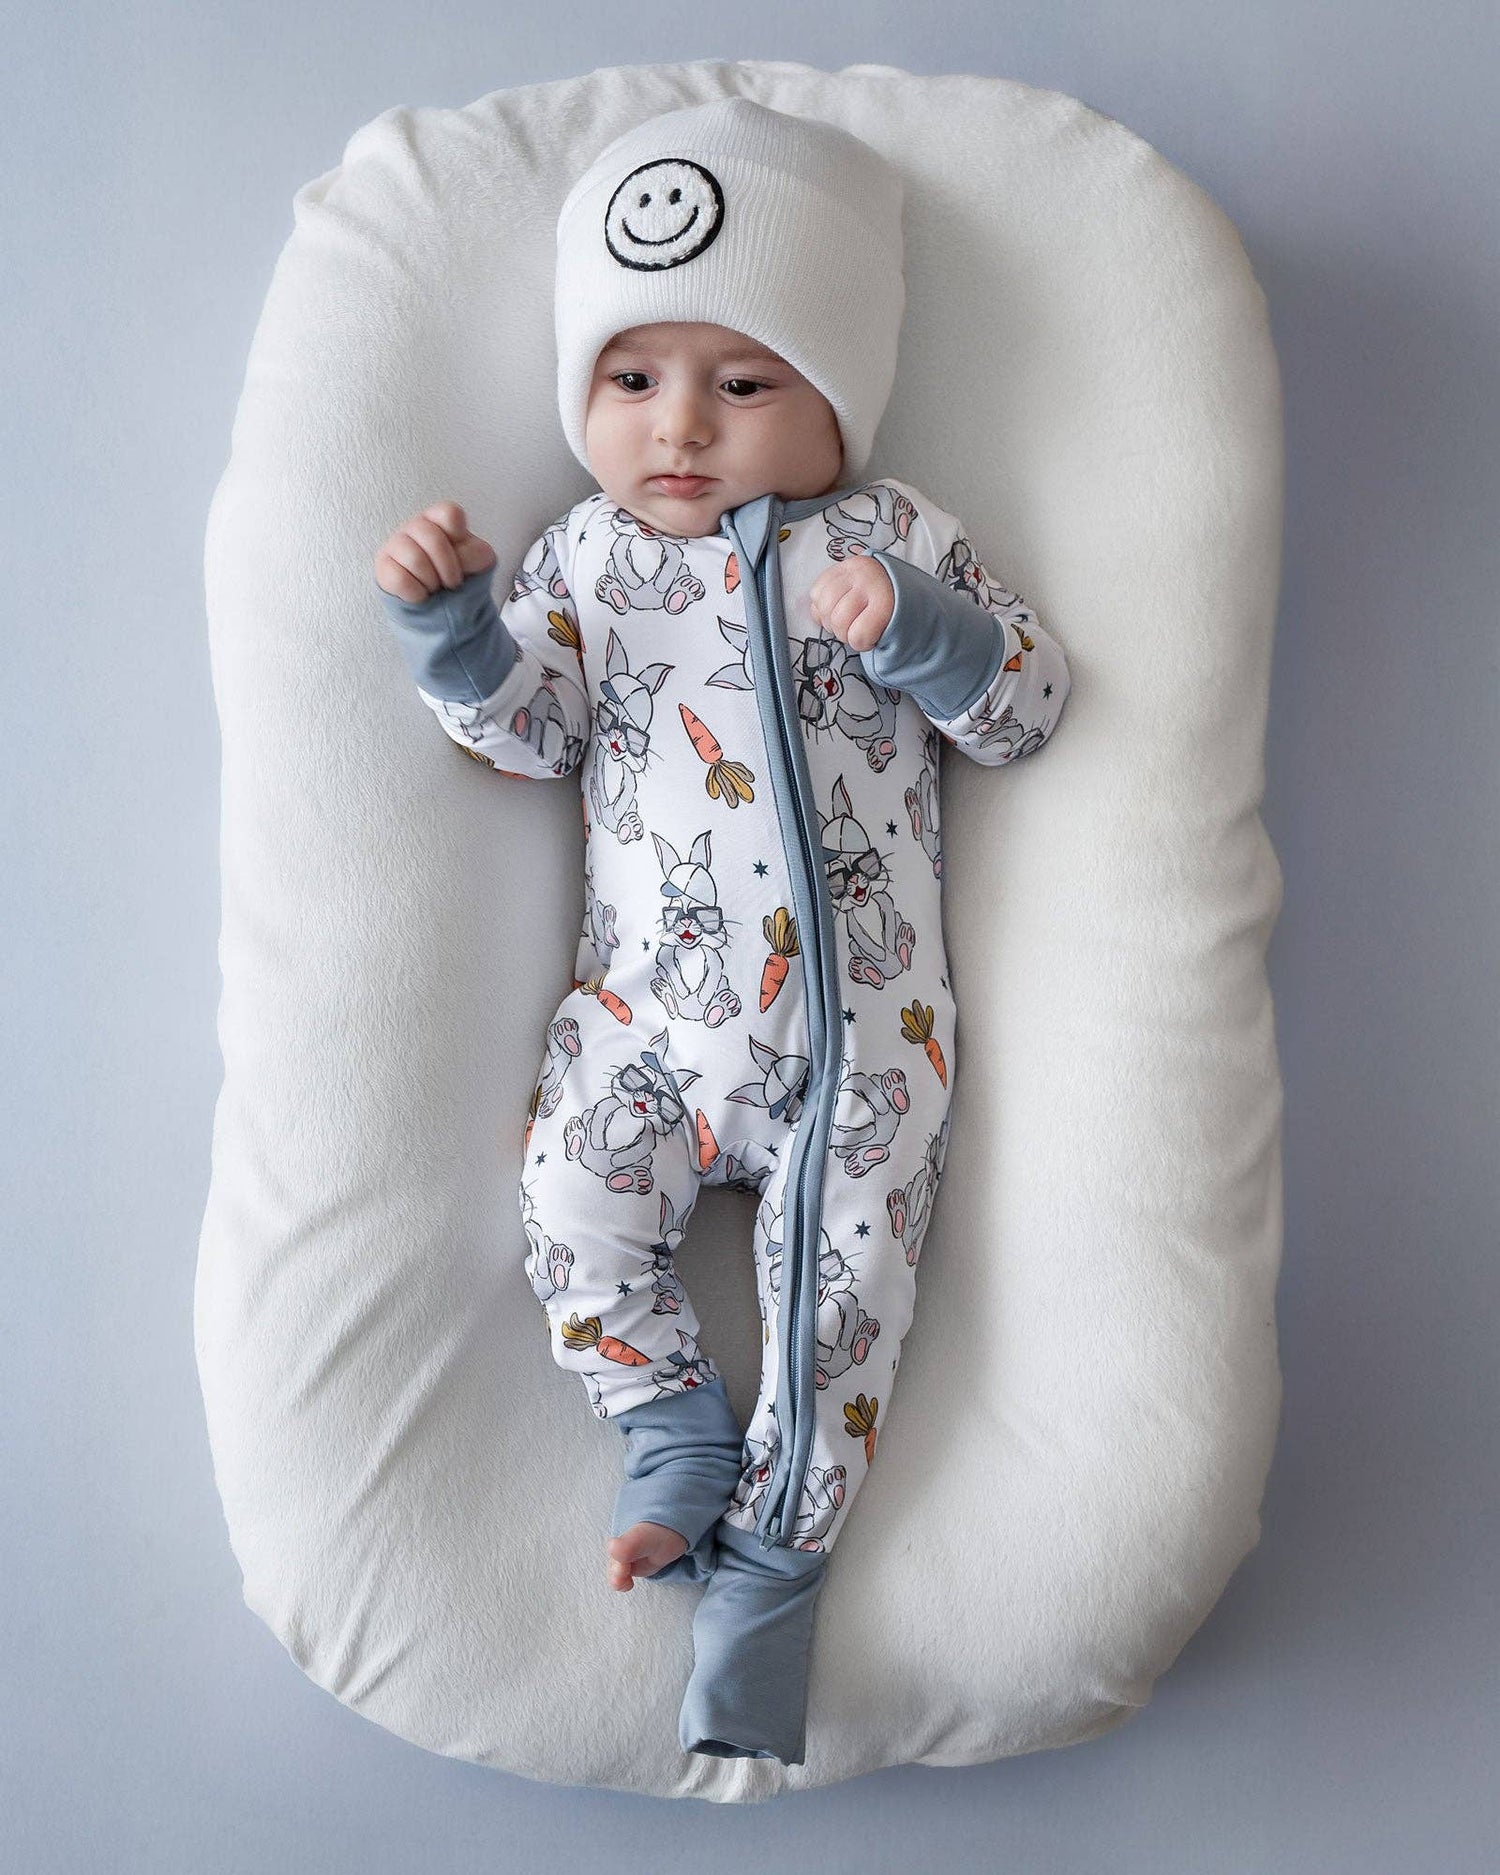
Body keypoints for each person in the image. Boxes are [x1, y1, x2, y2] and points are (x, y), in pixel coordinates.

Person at [374, 96, 1071, 1767]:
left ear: (837, 399)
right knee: (567, 1205)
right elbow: (528, 738)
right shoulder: (587, 558)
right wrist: (458, 631)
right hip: (643, 1029)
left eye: (744, 383)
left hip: (862, 1051)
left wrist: (926, 633)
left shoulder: (897, 537)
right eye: (632, 379)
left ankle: (771, 1572)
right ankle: (668, 1426)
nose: (680, 423)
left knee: (843, 1316)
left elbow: (1031, 709)